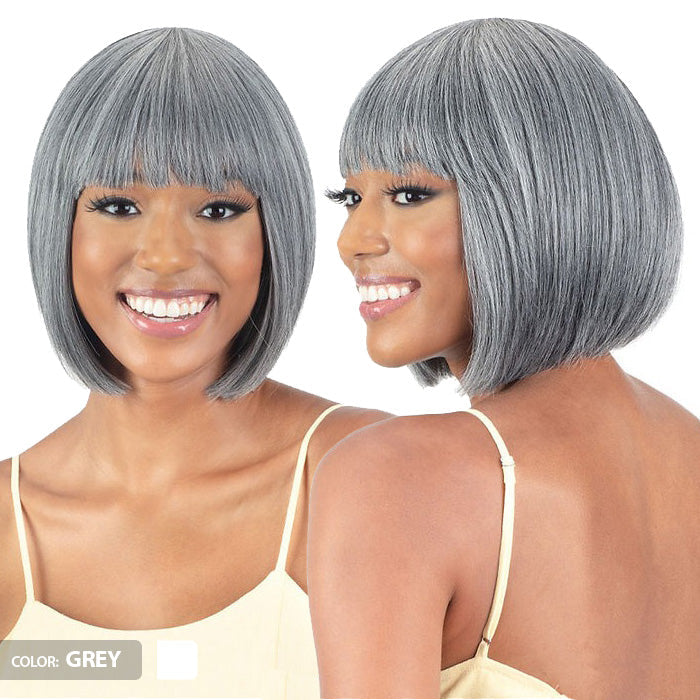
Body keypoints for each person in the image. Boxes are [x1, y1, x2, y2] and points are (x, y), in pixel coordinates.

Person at [308, 18, 700, 699]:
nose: (352, 240)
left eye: (409, 195)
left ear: (530, 203)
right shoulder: (689, 450)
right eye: (351, 198)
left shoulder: (394, 477)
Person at [0, 27, 385, 699]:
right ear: (58, 227)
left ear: (276, 234)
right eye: (118, 206)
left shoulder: (371, 473)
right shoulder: (7, 525)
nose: (166, 255)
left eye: (218, 208)